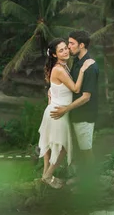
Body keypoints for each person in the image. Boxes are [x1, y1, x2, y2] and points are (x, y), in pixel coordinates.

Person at [38, 38, 95, 189]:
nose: (65, 51)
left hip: (56, 110)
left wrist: (51, 92)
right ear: (55, 55)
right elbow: (76, 89)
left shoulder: (63, 67)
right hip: (58, 112)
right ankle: (47, 175)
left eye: (66, 48)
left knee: (52, 144)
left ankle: (45, 176)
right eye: (61, 50)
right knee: (61, 147)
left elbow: (55, 87)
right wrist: (83, 70)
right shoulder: (59, 69)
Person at [50, 31, 99, 185]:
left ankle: (92, 181)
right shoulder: (77, 62)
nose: (68, 46)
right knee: (73, 147)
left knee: (86, 149)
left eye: (71, 43)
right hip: (74, 114)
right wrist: (52, 89)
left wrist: (65, 109)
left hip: (84, 114)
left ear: (81, 45)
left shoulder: (90, 66)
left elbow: (86, 96)